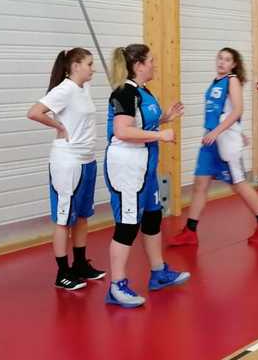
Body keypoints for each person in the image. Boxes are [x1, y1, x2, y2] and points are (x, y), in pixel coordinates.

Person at [104, 44, 190, 308]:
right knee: (128, 226)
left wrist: (165, 118)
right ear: (139, 65)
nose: (154, 64)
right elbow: (122, 131)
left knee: (153, 218)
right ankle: (116, 286)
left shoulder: (143, 91)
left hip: (146, 168)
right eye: (151, 60)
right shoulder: (124, 92)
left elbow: (140, 122)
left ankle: (158, 272)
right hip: (127, 168)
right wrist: (160, 135)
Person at [170, 47, 258, 247]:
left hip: (222, 141)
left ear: (233, 64)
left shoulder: (232, 80)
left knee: (239, 184)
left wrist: (221, 132)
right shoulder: (215, 82)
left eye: (227, 59)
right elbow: (224, 112)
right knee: (200, 184)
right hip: (210, 141)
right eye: (220, 58)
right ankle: (190, 231)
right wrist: (228, 131)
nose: (222, 62)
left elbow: (237, 110)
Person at [26, 47, 105, 291]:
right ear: (76, 66)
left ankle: (80, 264)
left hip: (87, 160)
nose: (93, 69)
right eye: (89, 64)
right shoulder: (65, 89)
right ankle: (62, 273)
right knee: (64, 219)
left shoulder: (83, 88)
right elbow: (34, 112)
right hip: (67, 162)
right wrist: (58, 126)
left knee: (82, 216)